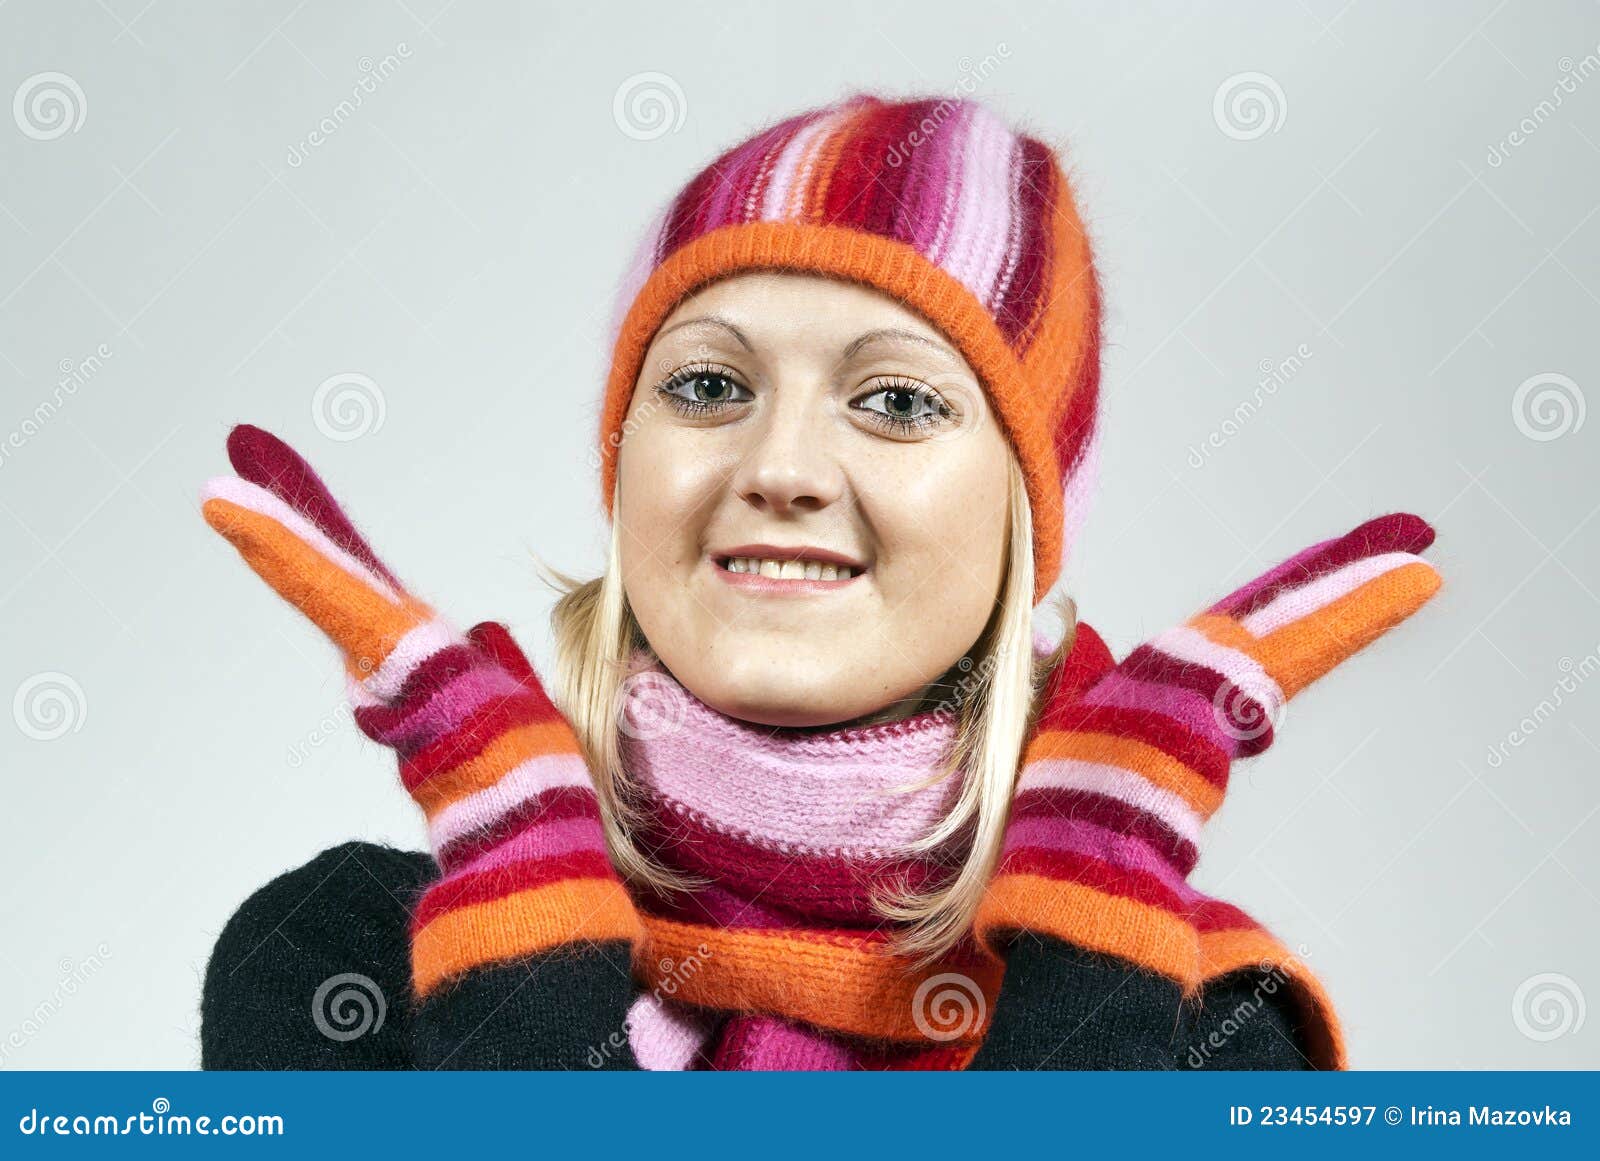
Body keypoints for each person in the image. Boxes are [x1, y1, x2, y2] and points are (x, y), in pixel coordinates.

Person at [197, 93, 1442, 1070]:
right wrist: (522, 896)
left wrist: (1092, 905)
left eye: (896, 401)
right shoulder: (344, 954)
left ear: (1024, 514)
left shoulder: (1207, 1028)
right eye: (707, 386)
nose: (780, 466)